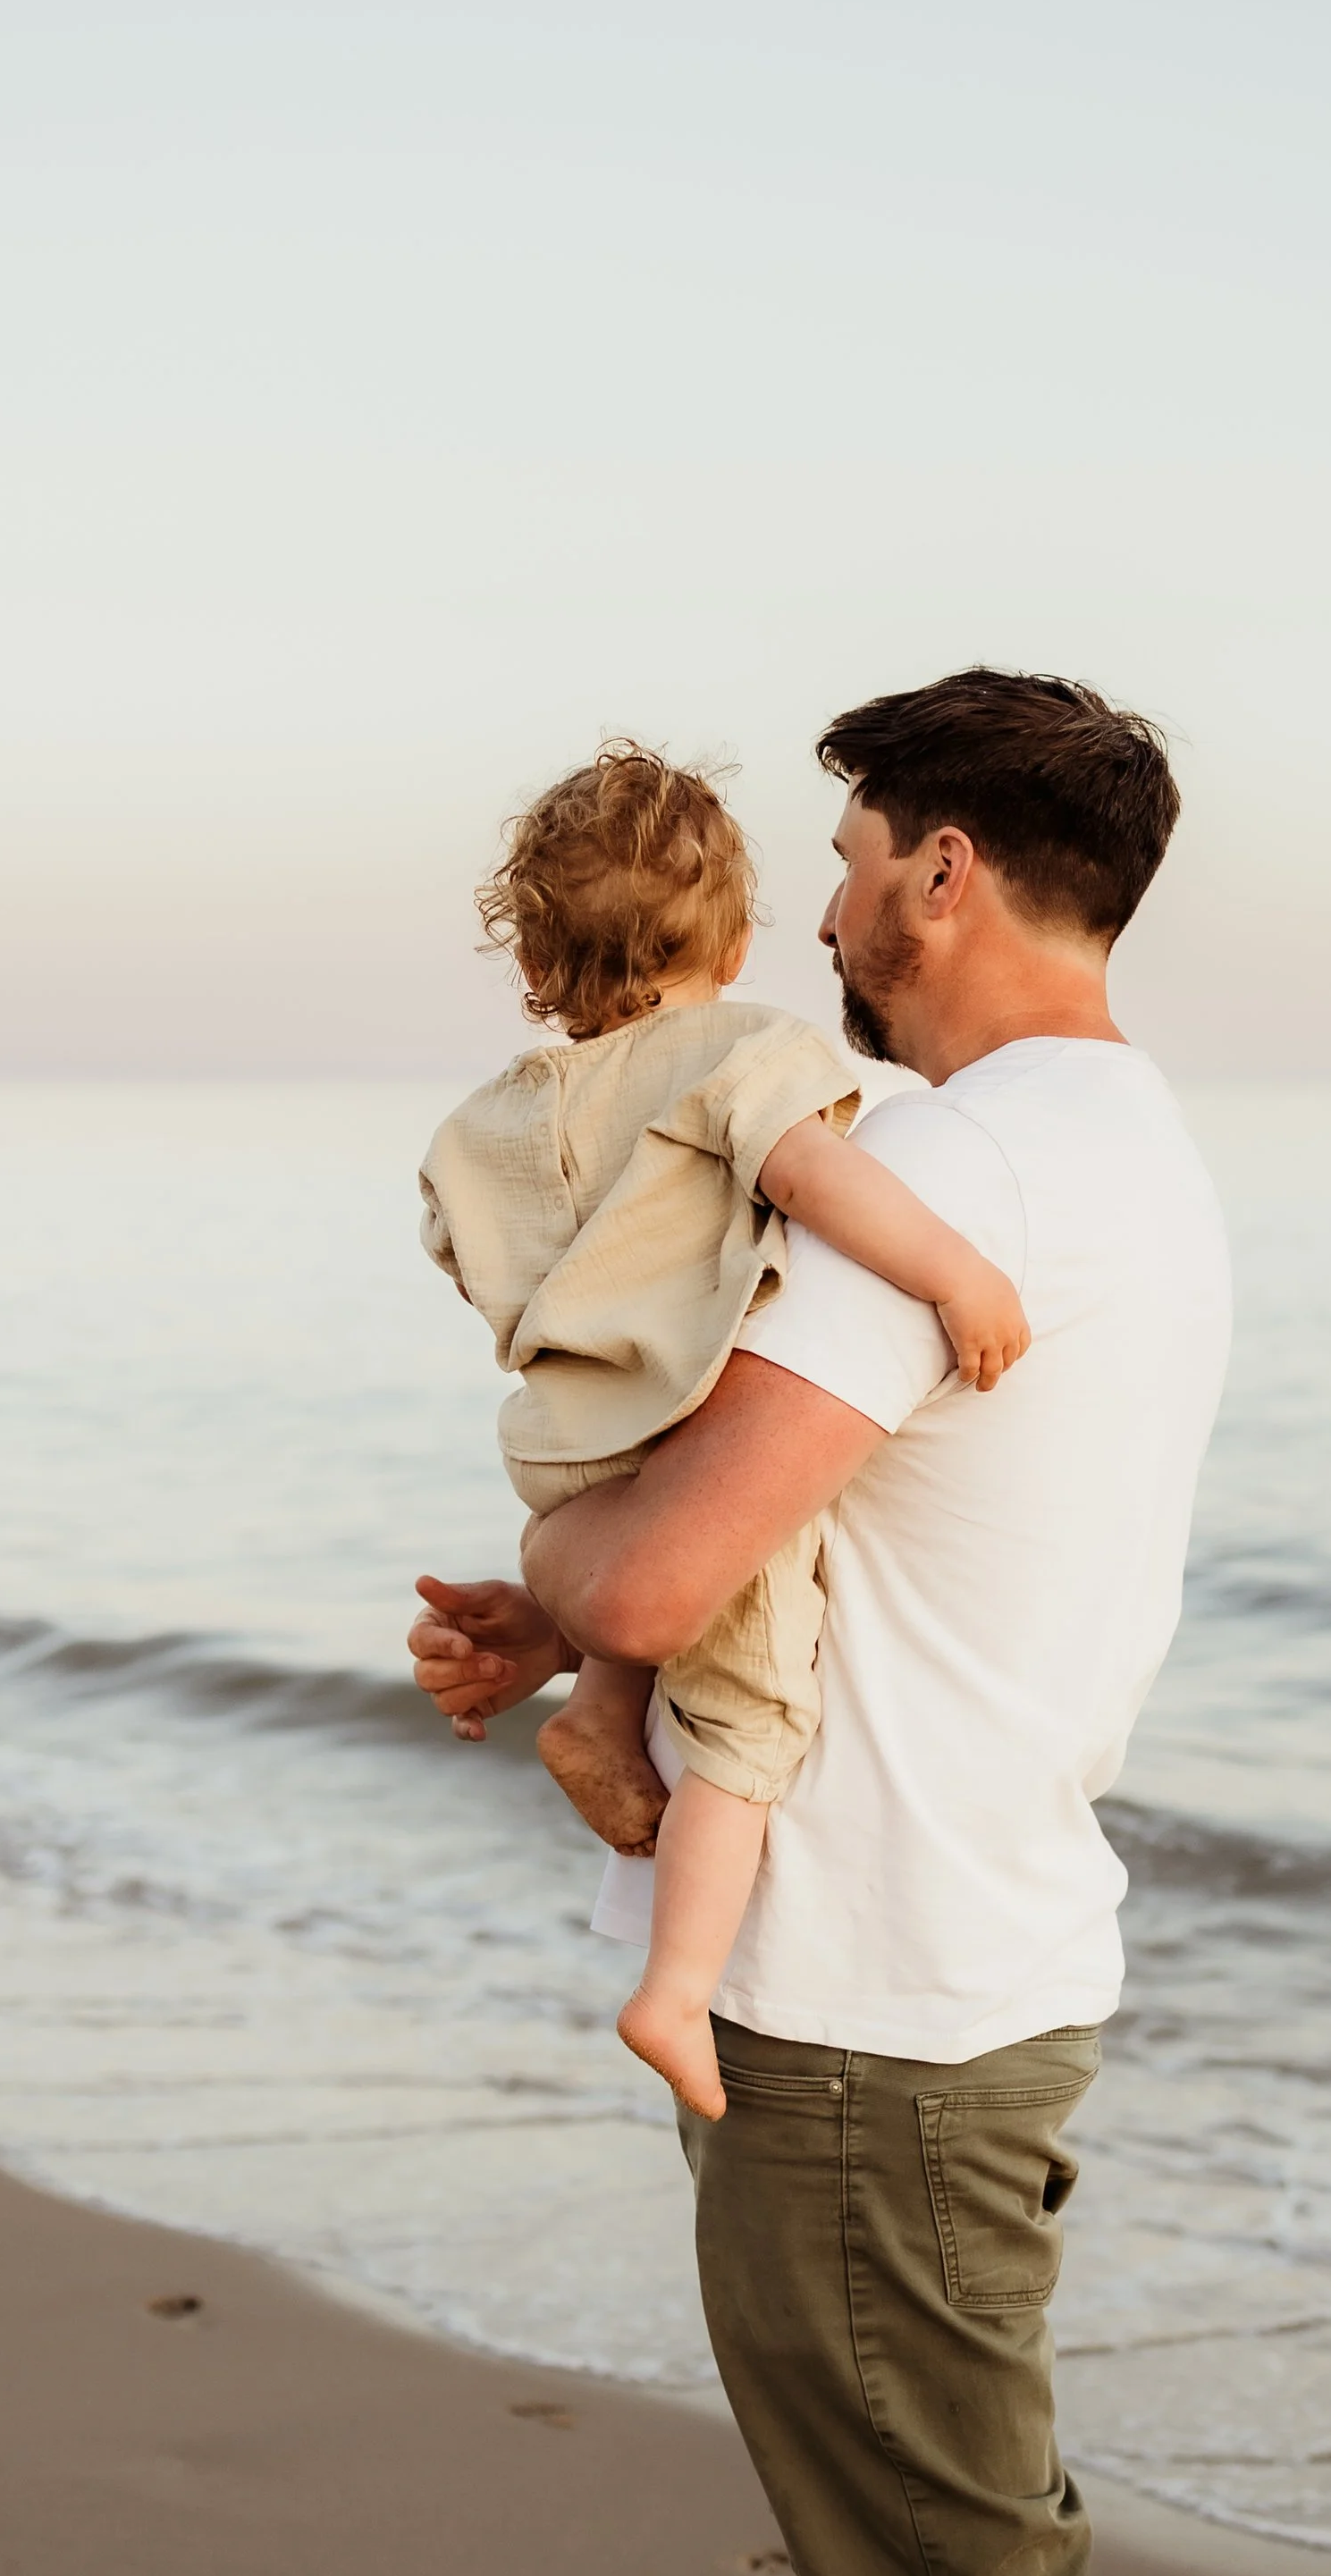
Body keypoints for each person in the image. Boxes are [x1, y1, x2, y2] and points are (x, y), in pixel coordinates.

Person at [411, 667, 1232, 2576]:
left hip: (866, 1998)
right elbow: (785, 1529)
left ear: (944, 869)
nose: (838, 900)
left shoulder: (942, 1170)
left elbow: (669, 1560)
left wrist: (568, 1579)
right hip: (971, 1939)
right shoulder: (1129, 1145)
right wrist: (574, 1618)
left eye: (860, 849)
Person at [419, 739, 1032, 2122]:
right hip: (681, 1406)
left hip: (568, 1431)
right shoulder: (745, 1053)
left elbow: (458, 1251)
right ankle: (675, 1988)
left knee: (647, 1578)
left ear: (536, 962)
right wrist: (955, 1274)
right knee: (752, 1714)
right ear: (739, 937)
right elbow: (814, 1178)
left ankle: (599, 1712)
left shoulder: (489, 1118)